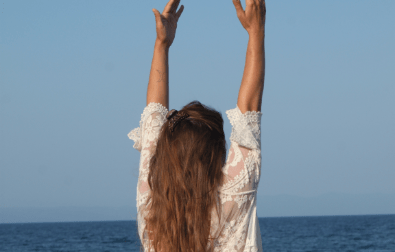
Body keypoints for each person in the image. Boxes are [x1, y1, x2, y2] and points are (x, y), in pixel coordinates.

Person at [128, 0, 266, 251]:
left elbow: (153, 116)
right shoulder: (235, 194)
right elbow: (249, 108)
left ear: (166, 151)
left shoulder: (151, 205)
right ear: (217, 153)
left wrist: (162, 44)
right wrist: (256, 31)